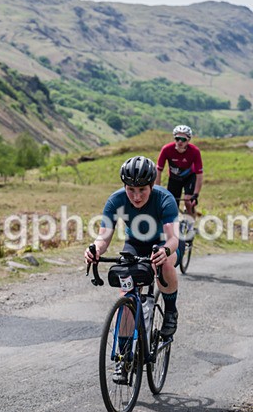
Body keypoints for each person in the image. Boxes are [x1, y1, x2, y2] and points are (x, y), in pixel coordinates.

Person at [85, 156, 183, 340]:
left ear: (151, 186)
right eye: (131, 190)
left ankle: (170, 312)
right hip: (135, 243)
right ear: (124, 186)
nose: (136, 197)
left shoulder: (165, 199)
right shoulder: (116, 200)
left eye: (142, 190)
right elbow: (103, 237)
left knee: (165, 264)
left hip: (164, 243)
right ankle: (124, 359)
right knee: (126, 294)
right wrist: (96, 249)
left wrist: (164, 251)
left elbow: (173, 239)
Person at [155, 125, 203, 219]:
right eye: (177, 139)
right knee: (171, 205)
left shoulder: (195, 151)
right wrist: (157, 189)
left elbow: (199, 174)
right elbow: (158, 170)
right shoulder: (166, 149)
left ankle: (191, 226)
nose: (180, 142)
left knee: (188, 201)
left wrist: (196, 194)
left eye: (183, 139)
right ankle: (174, 226)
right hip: (174, 178)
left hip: (189, 177)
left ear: (188, 140)